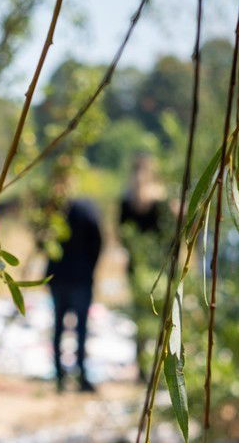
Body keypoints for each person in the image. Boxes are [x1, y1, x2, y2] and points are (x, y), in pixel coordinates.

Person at [44, 163, 104, 394]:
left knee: (60, 325)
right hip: (78, 277)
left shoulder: (51, 212)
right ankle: (78, 375)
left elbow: (43, 244)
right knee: (78, 328)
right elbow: (97, 242)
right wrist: (90, 267)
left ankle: (61, 375)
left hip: (60, 277)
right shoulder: (86, 209)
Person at [116, 153, 170, 381]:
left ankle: (141, 367)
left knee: (140, 319)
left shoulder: (126, 200)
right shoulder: (161, 201)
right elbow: (170, 235)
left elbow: (121, 236)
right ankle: (160, 365)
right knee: (162, 318)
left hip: (136, 267)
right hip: (160, 267)